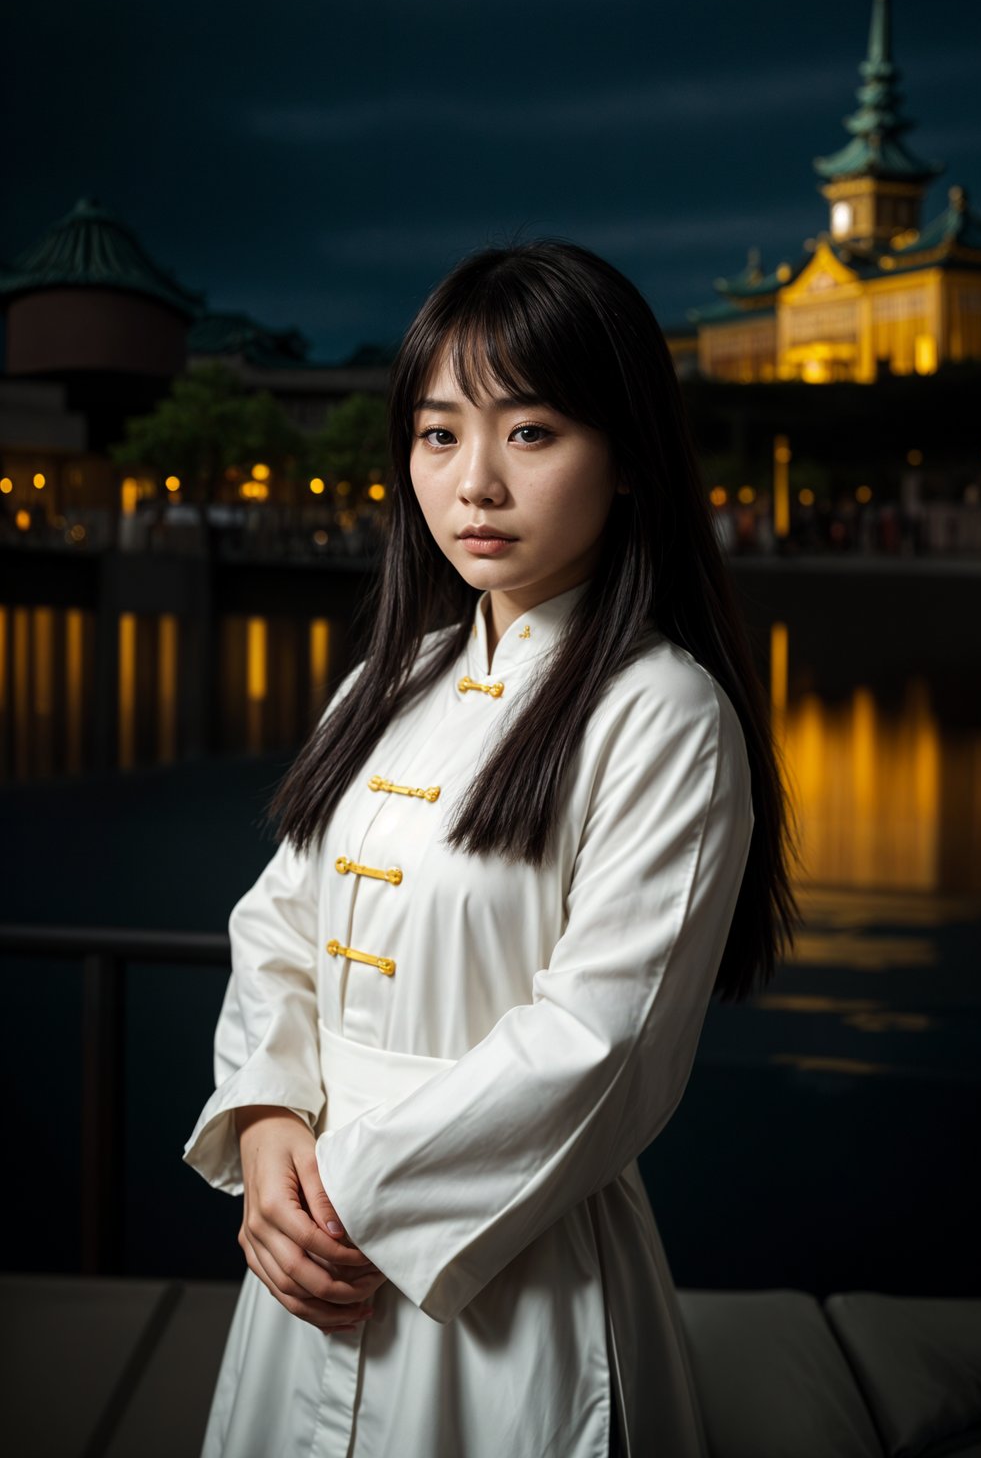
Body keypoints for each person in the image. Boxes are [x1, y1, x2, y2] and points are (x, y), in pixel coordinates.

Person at [183, 238, 801, 1457]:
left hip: (508, 1267)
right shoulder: (390, 677)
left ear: (626, 458)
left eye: (529, 433)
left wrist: (348, 1198)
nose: (475, 484)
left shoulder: (664, 713)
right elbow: (278, 923)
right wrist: (264, 1121)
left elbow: (599, 1047)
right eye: (437, 433)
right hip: (301, 1235)